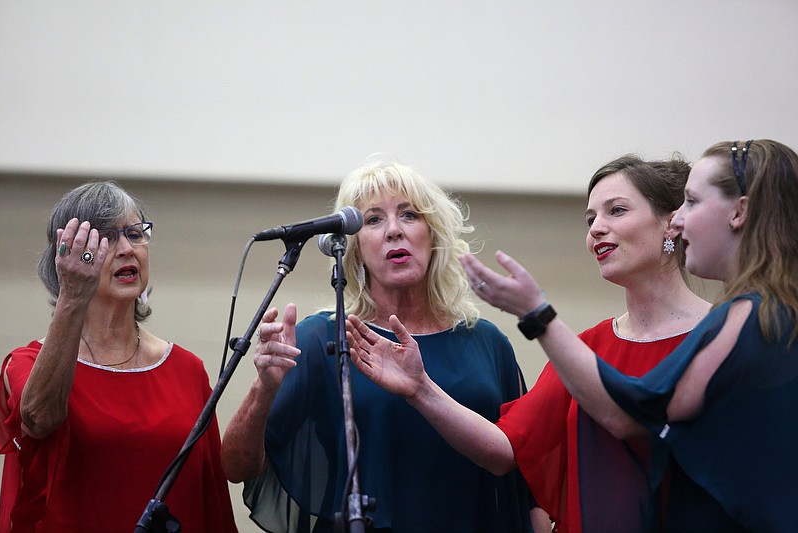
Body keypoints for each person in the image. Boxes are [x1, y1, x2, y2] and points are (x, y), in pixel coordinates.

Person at [351, 139, 798, 530]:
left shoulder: (741, 323)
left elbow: (634, 412)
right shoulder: (588, 349)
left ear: (670, 223)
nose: (596, 229)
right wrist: (421, 388)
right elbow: (507, 447)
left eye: (617, 211)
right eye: (589, 218)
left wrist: (537, 314)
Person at [221, 157, 532, 532]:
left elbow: (528, 481)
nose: (394, 231)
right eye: (373, 220)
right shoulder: (322, 338)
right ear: (353, 248)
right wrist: (264, 387)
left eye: (409, 215)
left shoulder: (488, 342)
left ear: (432, 234)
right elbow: (236, 466)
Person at [0, 181, 237, 532]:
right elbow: (40, 420)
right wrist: (73, 297)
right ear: (65, 258)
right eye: (107, 237)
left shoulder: (187, 369)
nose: (127, 248)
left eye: (136, 234)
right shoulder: (25, 363)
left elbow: (211, 498)